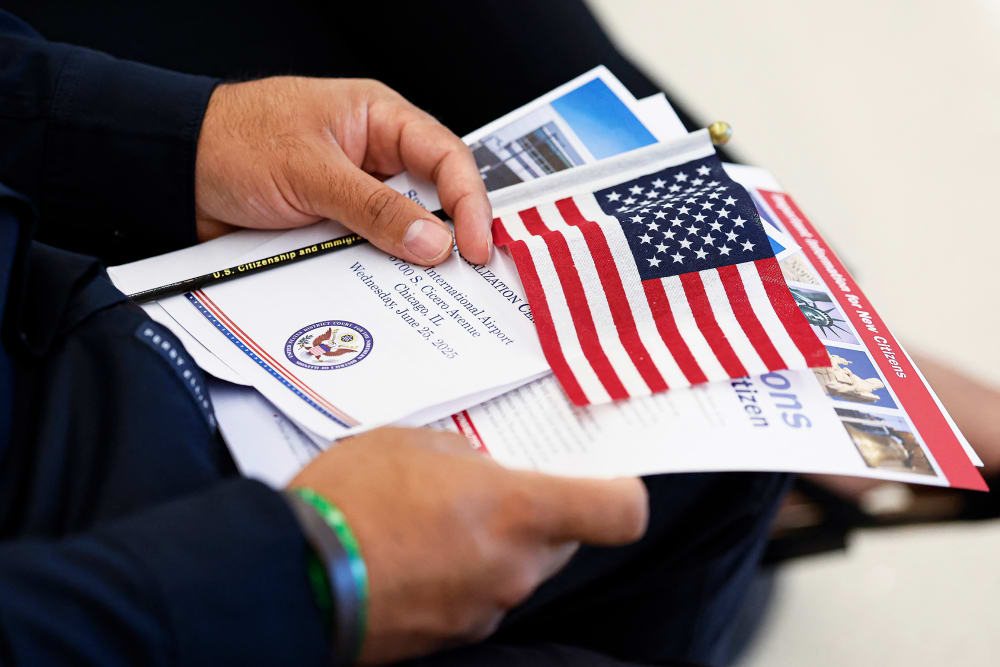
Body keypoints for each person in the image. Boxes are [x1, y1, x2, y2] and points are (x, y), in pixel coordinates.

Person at [0, 7, 791, 666]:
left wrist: (171, 135)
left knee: (742, 409)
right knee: (713, 469)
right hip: (122, 565)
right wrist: (308, 562)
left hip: (67, 300)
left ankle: (786, 267)